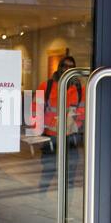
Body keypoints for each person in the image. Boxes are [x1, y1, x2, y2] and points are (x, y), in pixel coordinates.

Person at [35, 56, 85, 198]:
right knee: (48, 170)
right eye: (64, 66)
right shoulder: (46, 86)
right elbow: (35, 108)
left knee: (70, 172)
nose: (67, 69)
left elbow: (84, 110)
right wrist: (37, 130)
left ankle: (67, 201)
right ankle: (41, 197)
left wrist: (74, 121)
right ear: (59, 67)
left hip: (71, 137)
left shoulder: (81, 89)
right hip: (51, 135)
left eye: (71, 66)